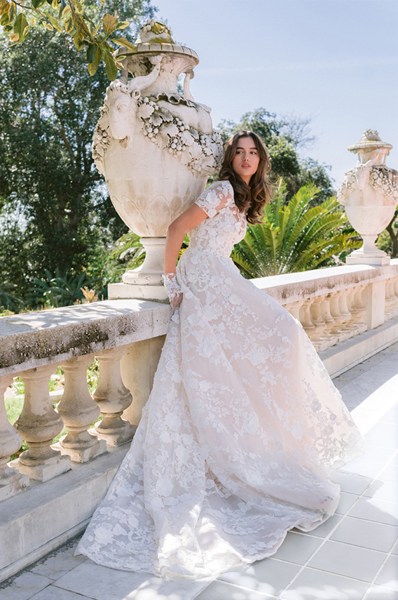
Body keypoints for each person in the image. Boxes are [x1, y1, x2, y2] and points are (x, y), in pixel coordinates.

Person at [76, 131, 362, 580]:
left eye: (253, 153)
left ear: (260, 160)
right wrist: (171, 283)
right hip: (202, 281)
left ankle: (266, 440)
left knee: (279, 334)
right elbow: (176, 231)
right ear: (230, 158)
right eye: (240, 152)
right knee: (276, 332)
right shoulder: (222, 189)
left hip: (220, 276)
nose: (247, 158)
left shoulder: (245, 196)